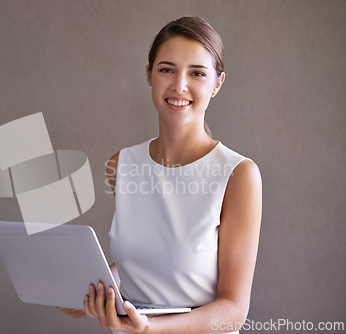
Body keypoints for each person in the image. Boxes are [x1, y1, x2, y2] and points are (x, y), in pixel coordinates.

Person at [58, 16, 262, 334]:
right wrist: (94, 290)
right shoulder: (121, 164)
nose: (179, 85)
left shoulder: (238, 175)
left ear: (217, 83)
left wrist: (152, 329)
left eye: (197, 73)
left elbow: (233, 311)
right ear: (149, 75)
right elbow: (144, 264)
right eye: (166, 69)